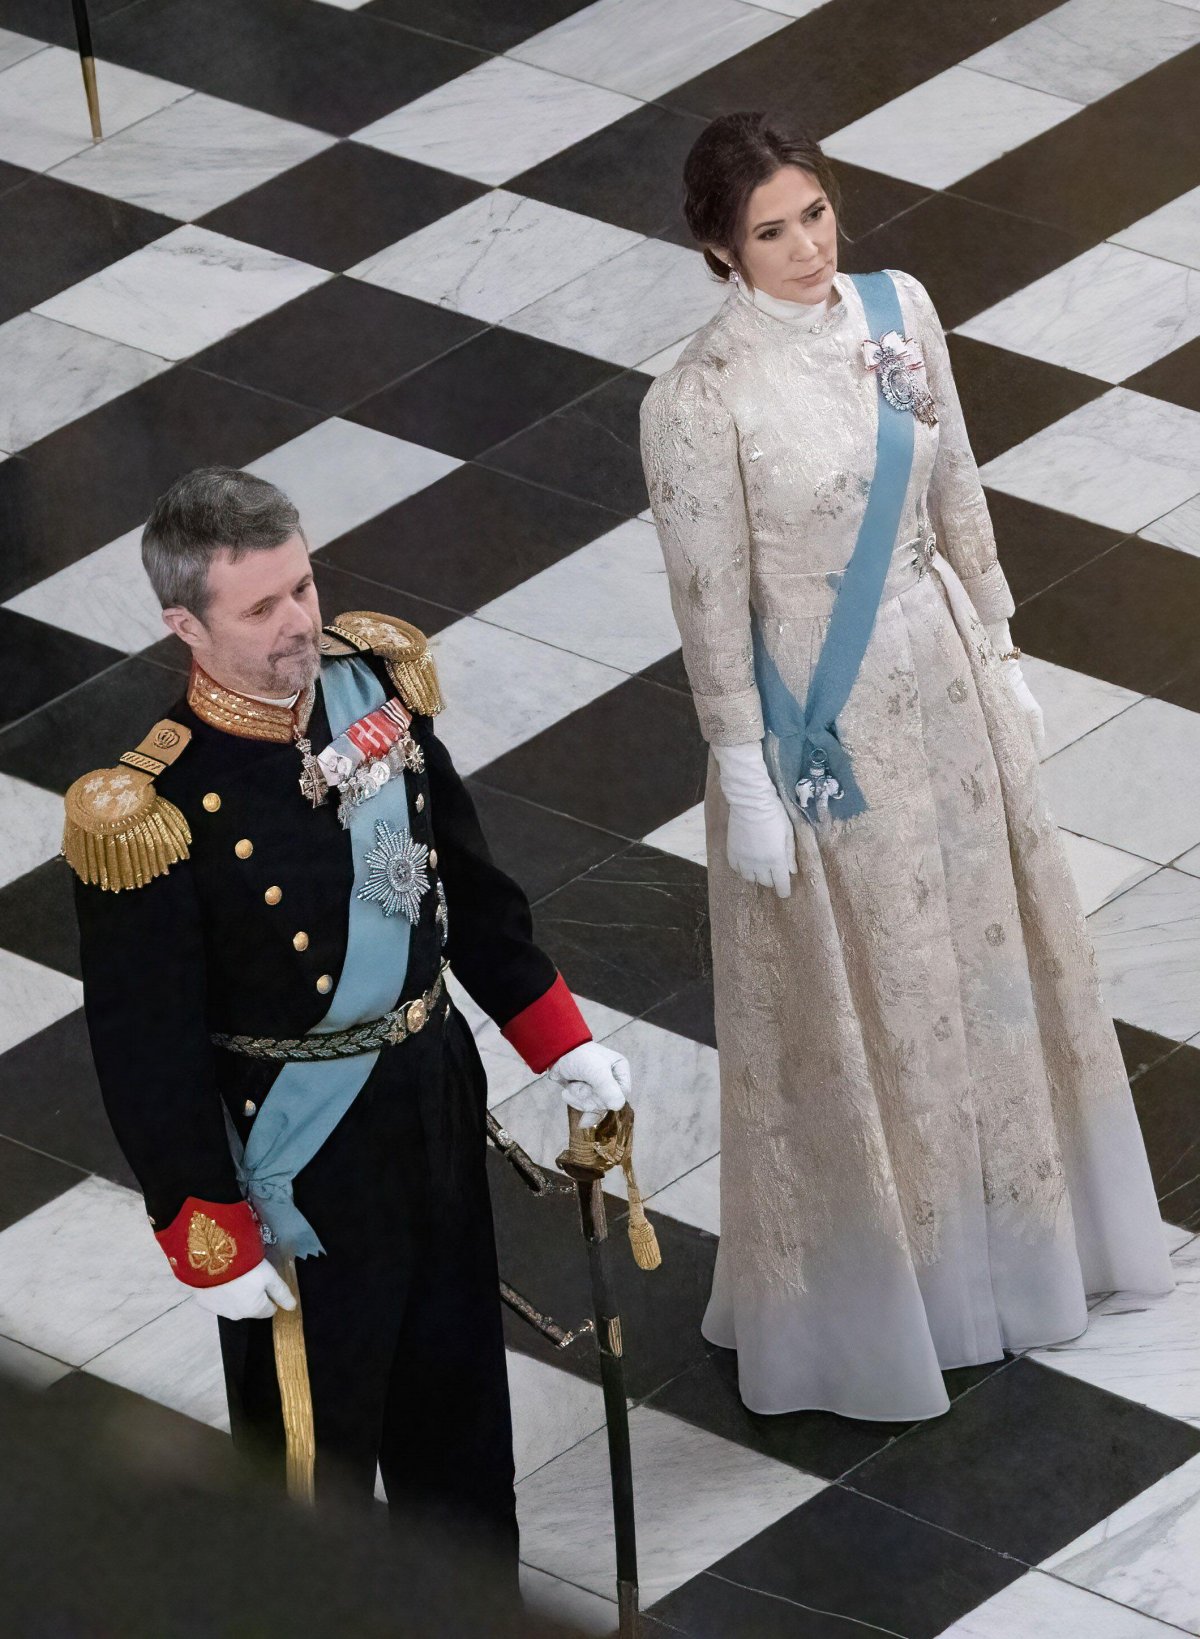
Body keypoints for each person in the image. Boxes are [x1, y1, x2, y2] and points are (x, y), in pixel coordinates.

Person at [639, 112, 1172, 1421]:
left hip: (939, 675)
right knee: (880, 985)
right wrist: (743, 766)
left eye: (815, 212)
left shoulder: (900, 309)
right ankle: (907, 1285)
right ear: (717, 246)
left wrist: (999, 640)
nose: (808, 247)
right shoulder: (697, 398)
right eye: (771, 231)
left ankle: (1028, 1243)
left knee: (988, 957)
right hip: (820, 718)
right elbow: (709, 597)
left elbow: (954, 489)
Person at [65, 467, 631, 1581]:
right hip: (300, 1165)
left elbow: (463, 882)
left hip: (429, 1095)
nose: (299, 622)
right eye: (262, 607)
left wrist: (555, 1035)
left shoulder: (372, 685)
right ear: (184, 624)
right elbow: (146, 1049)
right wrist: (203, 1226)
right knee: (310, 1473)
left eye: (304, 585)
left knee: (462, 1420)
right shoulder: (154, 811)